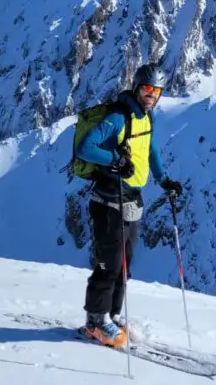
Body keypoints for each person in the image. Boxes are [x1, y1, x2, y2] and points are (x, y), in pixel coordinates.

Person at [76, 63, 182, 347]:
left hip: (132, 198)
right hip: (108, 199)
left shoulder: (147, 118)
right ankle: (95, 321)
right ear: (137, 87)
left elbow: (150, 150)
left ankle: (111, 315)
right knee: (107, 264)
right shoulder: (118, 117)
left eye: (156, 90)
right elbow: (85, 147)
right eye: (147, 88)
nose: (151, 94)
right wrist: (115, 160)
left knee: (123, 265)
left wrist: (164, 180)